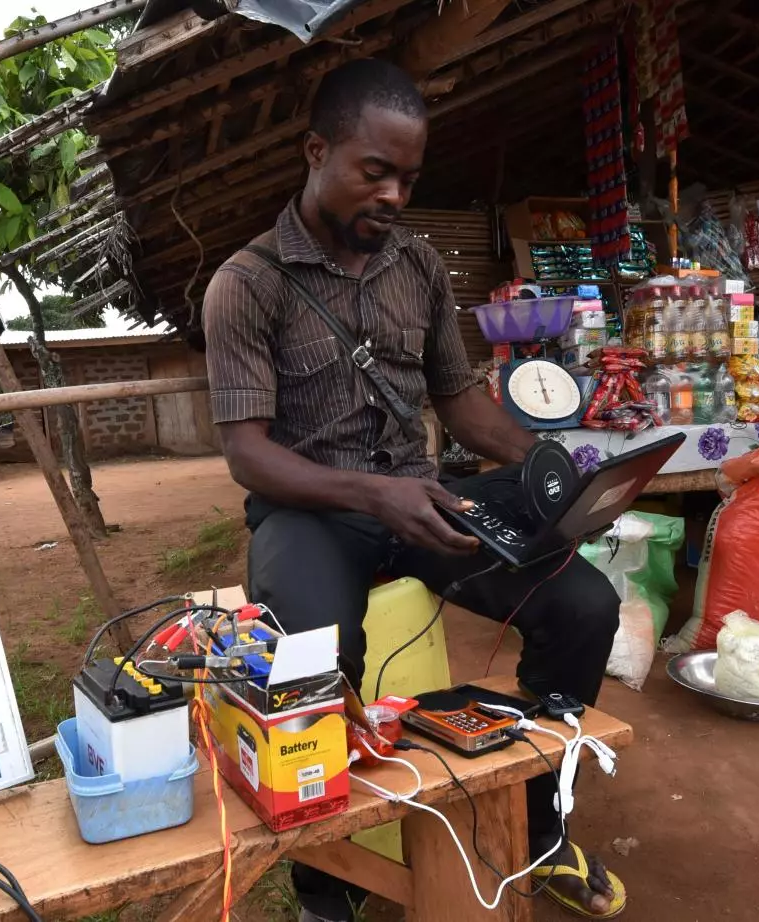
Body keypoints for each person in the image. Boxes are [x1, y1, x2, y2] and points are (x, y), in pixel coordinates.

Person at [202, 58, 626, 921]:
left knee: (582, 606)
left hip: (421, 502)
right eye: (375, 171)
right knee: (311, 662)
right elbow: (248, 456)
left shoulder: (419, 268)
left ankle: (537, 824)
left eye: (409, 176)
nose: (394, 193)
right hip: (309, 509)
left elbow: (462, 406)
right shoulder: (244, 286)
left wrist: (554, 473)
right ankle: (328, 885)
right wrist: (371, 494)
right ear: (317, 151)